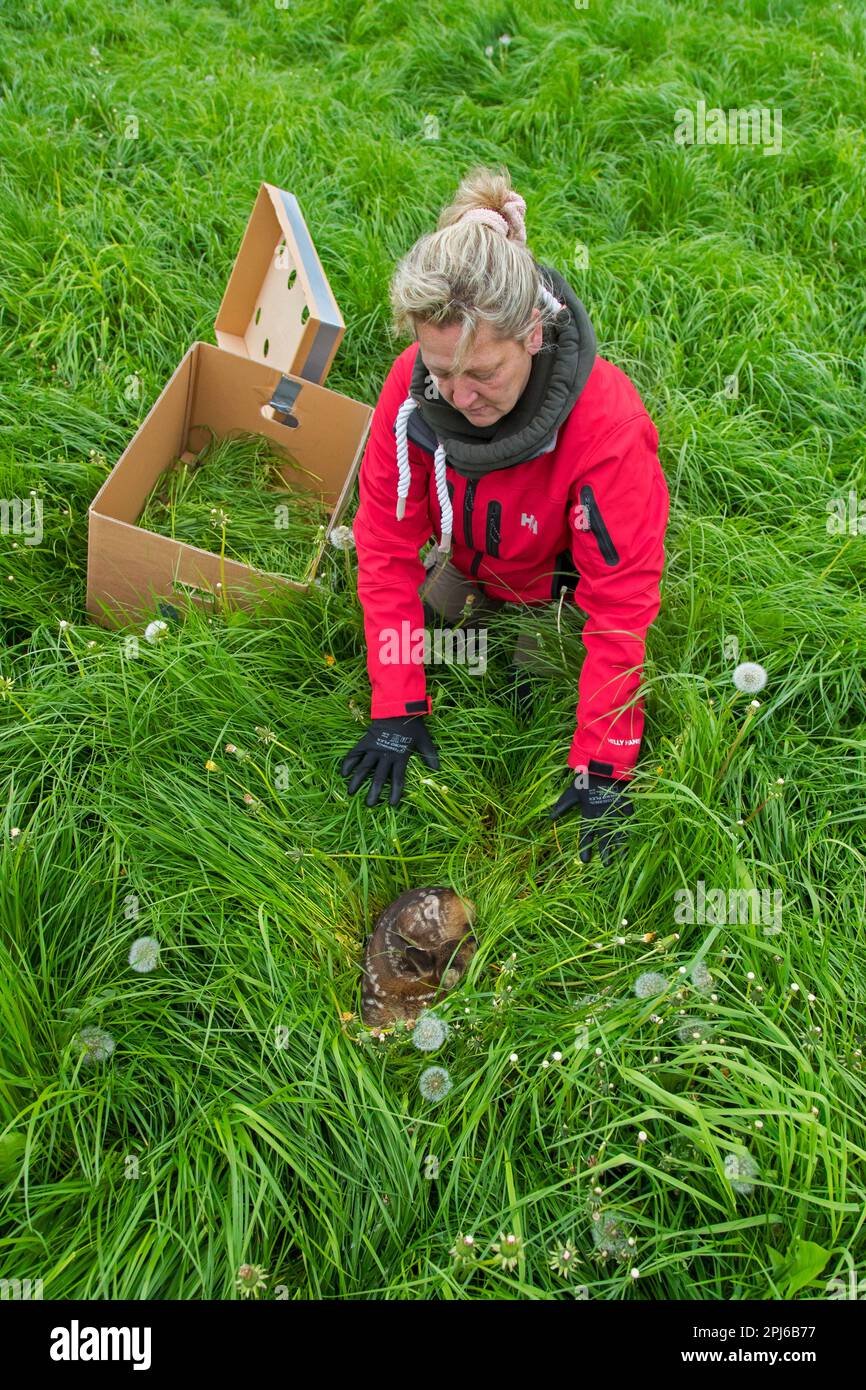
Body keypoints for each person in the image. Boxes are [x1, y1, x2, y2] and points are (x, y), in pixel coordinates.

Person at [339, 165, 669, 865]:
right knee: (419, 627)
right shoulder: (413, 387)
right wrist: (395, 705)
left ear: (533, 334)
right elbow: (387, 547)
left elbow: (622, 602)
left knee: (530, 681)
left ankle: (532, 630)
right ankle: (461, 608)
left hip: (554, 583)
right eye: (441, 371)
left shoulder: (608, 428)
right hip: (464, 557)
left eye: (483, 373)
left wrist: (603, 768)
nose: (458, 396)